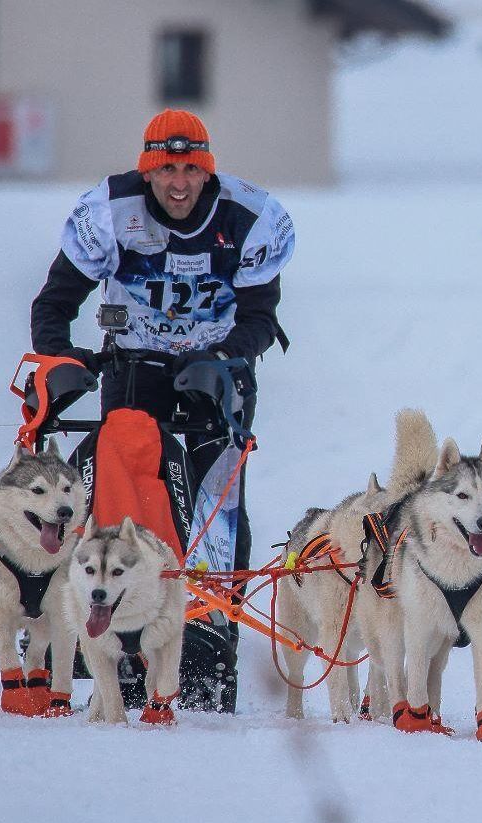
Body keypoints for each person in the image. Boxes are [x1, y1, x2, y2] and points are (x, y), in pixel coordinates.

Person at [29, 109, 295, 712]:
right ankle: (108, 645)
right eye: (166, 170)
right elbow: (55, 302)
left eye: (191, 170)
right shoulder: (108, 213)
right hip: (135, 365)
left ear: (208, 173)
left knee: (215, 507)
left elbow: (260, 318)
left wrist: (222, 356)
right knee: (121, 498)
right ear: (147, 173)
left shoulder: (250, 219)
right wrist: (60, 357)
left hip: (218, 369)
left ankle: (207, 649)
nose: (179, 183)